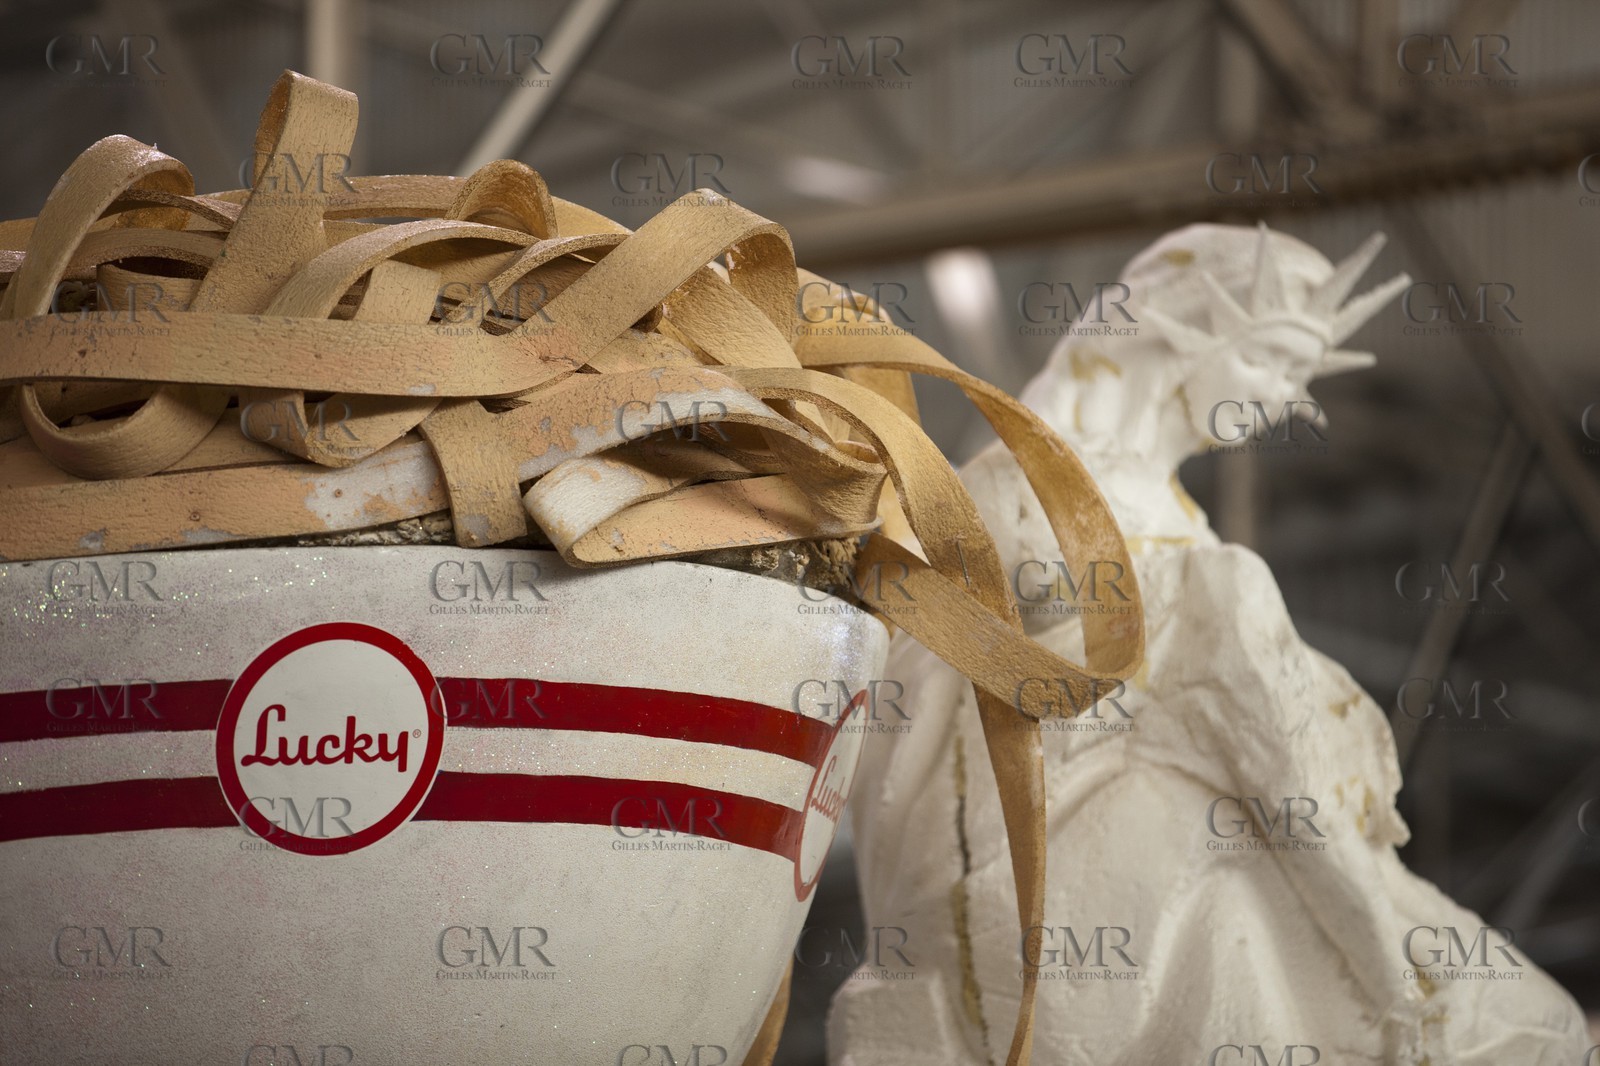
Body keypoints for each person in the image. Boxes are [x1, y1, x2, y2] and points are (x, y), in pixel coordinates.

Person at [830, 224, 1590, 1065]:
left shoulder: (1172, 516)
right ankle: (1365, 927)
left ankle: (1364, 918)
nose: (1278, 405)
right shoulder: (1021, 477)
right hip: (1035, 842)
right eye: (1268, 363)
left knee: (1525, 1021)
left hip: (1171, 825)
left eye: (1296, 383)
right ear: (1183, 323)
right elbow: (930, 674)